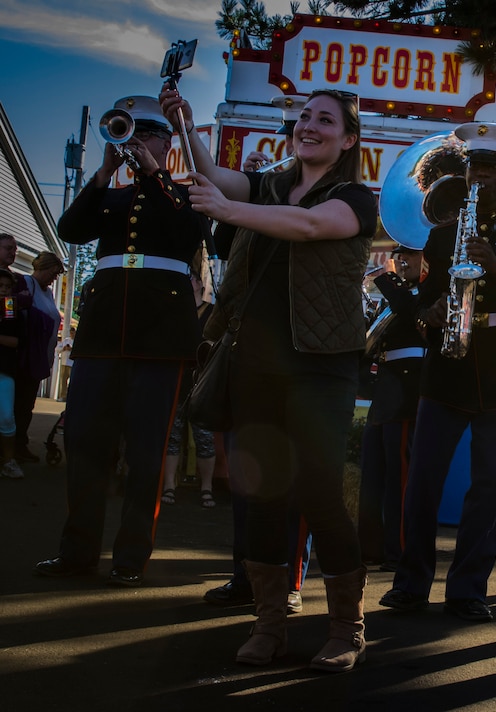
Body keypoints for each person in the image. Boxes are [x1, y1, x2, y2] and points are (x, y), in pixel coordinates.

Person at [160, 86, 375, 672]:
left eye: (324, 120)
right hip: (255, 360)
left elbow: (306, 228)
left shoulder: (355, 197)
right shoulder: (272, 184)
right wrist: (186, 127)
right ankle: (270, 625)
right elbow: (221, 180)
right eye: (303, 117)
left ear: (348, 139)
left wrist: (226, 211)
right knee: (261, 495)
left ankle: (346, 629)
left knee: (319, 492)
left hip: (321, 365)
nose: (308, 125)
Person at [378, 122, 496, 623]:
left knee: (489, 486)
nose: (482, 177)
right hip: (447, 368)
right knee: (423, 484)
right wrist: (426, 314)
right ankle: (410, 584)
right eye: (475, 167)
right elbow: (426, 300)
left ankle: (469, 589)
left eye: (492, 170)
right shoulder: (441, 234)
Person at [35, 95, 204, 588]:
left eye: (146, 133)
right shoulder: (109, 197)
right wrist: (104, 173)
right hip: (104, 335)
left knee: (147, 452)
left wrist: (153, 173)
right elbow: (71, 229)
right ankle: (77, 551)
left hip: (159, 339)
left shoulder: (184, 192)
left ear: (166, 143)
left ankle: (131, 556)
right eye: (129, 131)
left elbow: (189, 232)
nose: (135, 140)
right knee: (86, 445)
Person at [202, 92, 314, 615]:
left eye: (308, 124)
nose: (299, 134)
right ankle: (245, 576)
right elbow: (226, 248)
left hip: (299, 351)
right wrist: (244, 202)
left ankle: (287, 582)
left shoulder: (330, 192)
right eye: (292, 126)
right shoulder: (265, 183)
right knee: (249, 471)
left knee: (289, 477)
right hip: (250, 344)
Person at [357, 243, 426, 571]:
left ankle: (399, 550)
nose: (402, 259)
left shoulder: (425, 292)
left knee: (399, 476)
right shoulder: (398, 292)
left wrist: (384, 277)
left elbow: (409, 309)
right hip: (385, 387)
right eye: (399, 254)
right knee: (373, 473)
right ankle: (370, 547)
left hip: (407, 388)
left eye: (410, 254)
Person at [161, 269, 216, 508]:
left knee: (205, 438)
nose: (189, 282)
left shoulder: (212, 312)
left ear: (199, 284)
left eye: (192, 278)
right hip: (177, 381)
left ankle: (207, 488)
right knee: (172, 436)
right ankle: (169, 486)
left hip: (202, 384)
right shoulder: (175, 311)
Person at [13, 251, 65, 462]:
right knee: (18, 404)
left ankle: (20, 444)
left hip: (39, 357)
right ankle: (13, 447)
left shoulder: (49, 292)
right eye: (53, 273)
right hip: (23, 356)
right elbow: (9, 308)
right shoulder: (25, 283)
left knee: (27, 405)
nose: (54, 278)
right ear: (43, 267)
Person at [0, 270, 24, 479]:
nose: (4, 290)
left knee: (7, 416)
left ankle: (9, 460)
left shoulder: (10, 310)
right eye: (0, 286)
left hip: (5, 369)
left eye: (7, 287)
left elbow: (15, 341)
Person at [56, 325, 75, 401]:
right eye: (71, 332)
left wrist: (71, 349)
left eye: (73, 332)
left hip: (72, 363)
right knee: (63, 381)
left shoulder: (76, 341)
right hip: (64, 362)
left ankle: (71, 396)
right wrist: (64, 348)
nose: (72, 334)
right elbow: (57, 349)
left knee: (72, 381)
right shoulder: (66, 340)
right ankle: (63, 396)